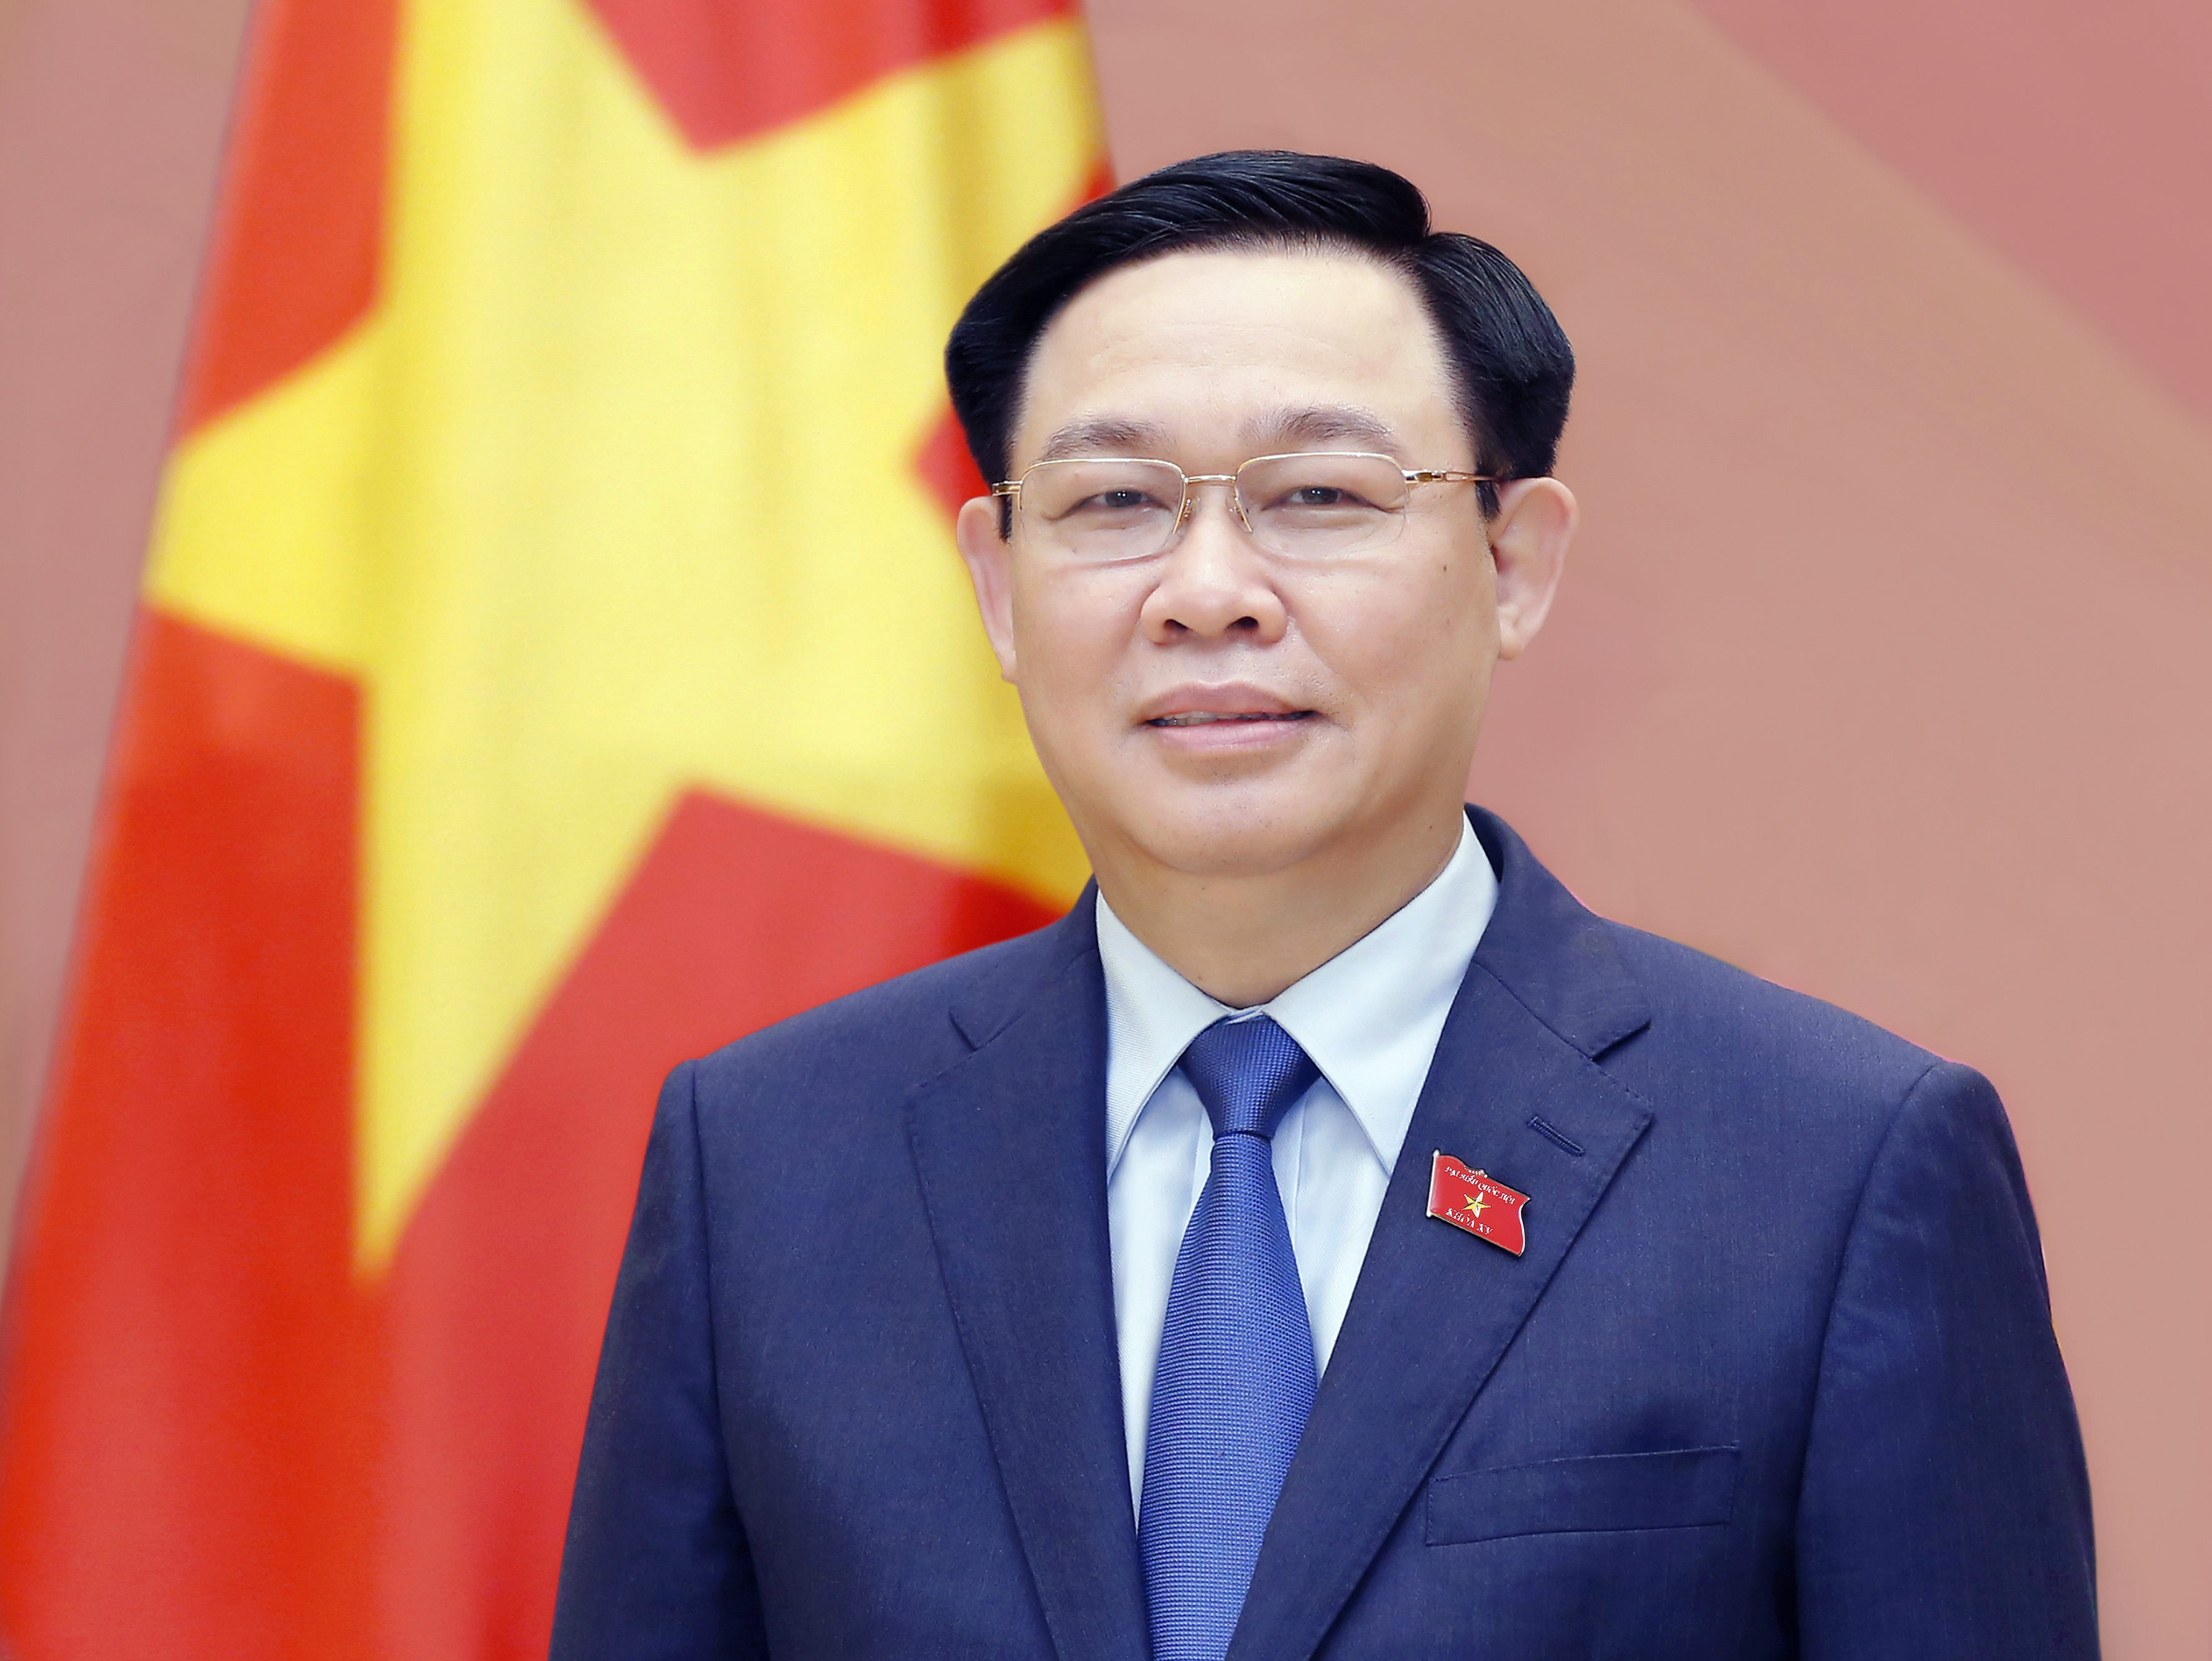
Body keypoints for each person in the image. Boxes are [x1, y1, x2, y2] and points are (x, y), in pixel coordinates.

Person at [549, 151, 2096, 1660]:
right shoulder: (768, 1165)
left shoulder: (1836, 1170)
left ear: (1514, 563)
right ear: (1000, 589)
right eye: (1113, 501)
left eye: (1318, 494)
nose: (1206, 591)